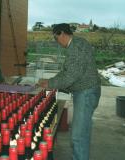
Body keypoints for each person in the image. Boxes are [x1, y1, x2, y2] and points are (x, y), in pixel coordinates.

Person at [38, 23, 101, 160]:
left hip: (86, 93)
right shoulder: (76, 44)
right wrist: (51, 81)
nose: (57, 42)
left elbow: (70, 76)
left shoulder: (76, 48)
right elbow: (65, 72)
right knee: (82, 132)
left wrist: (50, 83)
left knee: (78, 136)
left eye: (56, 38)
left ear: (62, 34)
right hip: (85, 92)